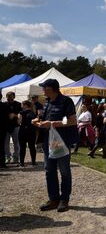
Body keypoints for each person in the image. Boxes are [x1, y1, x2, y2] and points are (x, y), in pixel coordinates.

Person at [32, 79, 79, 212]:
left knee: (64, 171)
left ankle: (64, 200)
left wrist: (52, 123)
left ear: (51, 88)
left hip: (62, 141)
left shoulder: (66, 101)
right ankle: (53, 199)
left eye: (44, 87)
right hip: (49, 141)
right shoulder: (47, 102)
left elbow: (72, 121)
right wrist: (38, 122)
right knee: (49, 170)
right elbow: (45, 120)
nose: (42, 90)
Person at [18, 100, 37, 166]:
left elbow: (19, 122)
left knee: (22, 147)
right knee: (32, 147)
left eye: (22, 105)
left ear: (26, 105)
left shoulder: (21, 113)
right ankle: (33, 162)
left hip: (23, 131)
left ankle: (22, 162)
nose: (21, 106)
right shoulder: (34, 112)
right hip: (31, 131)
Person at [4, 91, 22, 164]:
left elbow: (21, 113)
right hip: (6, 126)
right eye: (8, 98)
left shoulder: (18, 104)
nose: (10, 100)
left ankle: (16, 157)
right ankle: (8, 157)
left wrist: (14, 115)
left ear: (14, 97)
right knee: (6, 143)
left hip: (15, 126)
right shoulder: (4, 104)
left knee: (16, 143)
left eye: (11, 98)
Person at [0, 93, 10, 168]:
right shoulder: (5, 106)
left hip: (3, 128)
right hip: (2, 128)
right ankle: (2, 163)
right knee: (1, 146)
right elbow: (8, 118)